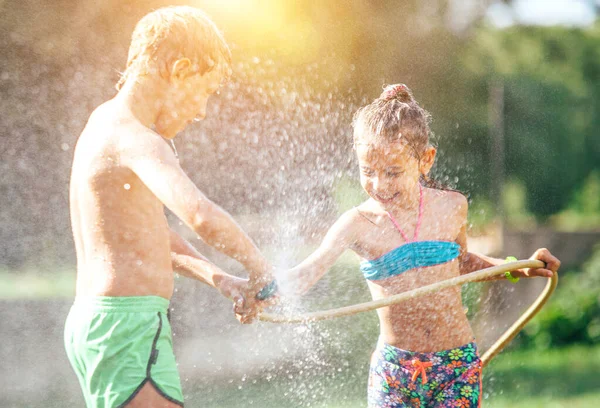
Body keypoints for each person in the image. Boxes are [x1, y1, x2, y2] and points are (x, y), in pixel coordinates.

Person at [278, 84, 561, 407]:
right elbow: (308, 270)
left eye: (393, 172)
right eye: (367, 171)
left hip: (455, 365)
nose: (378, 184)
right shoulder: (356, 223)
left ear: (425, 160)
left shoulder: (452, 207)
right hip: (395, 371)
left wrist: (518, 267)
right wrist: (263, 290)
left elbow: (463, 264)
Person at [64, 6, 273, 408]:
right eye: (205, 91)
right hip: (129, 326)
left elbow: (153, 236)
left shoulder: (102, 124)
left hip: (103, 323)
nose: (201, 111)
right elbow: (201, 217)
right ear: (179, 70)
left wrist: (221, 279)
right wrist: (260, 267)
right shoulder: (138, 139)